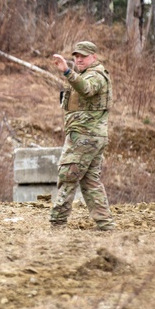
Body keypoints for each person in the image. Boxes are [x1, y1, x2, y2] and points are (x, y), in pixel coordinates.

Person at [50, 41, 116, 231]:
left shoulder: (95, 75)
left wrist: (67, 72)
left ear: (94, 57)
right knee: (90, 182)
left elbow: (86, 88)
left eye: (84, 56)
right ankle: (106, 226)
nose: (79, 59)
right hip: (91, 137)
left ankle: (57, 224)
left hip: (85, 137)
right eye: (76, 56)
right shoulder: (88, 74)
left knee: (68, 176)